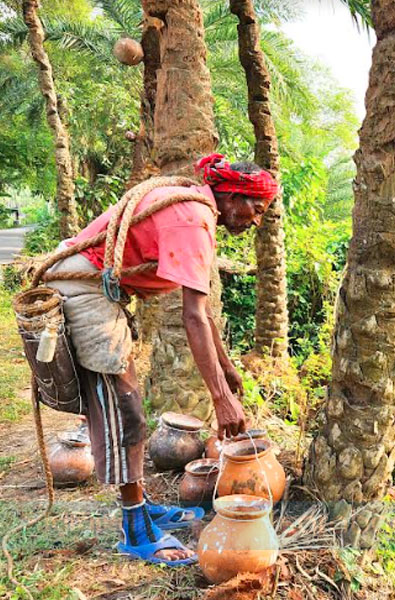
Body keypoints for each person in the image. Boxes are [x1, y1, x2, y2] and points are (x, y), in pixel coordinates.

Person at [44, 154, 278, 566]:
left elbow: (202, 311)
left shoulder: (195, 207)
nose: (255, 220)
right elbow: (192, 317)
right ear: (232, 196)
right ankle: (135, 529)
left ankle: (141, 505)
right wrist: (221, 399)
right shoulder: (193, 220)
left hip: (97, 287)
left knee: (127, 404)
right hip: (80, 288)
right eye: (255, 209)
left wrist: (225, 367)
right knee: (122, 406)